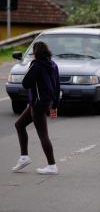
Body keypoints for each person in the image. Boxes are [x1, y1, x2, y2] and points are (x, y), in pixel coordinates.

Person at [12, 41, 60, 175]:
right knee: (19, 124)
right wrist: (55, 105)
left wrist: (30, 69)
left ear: (36, 52)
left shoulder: (36, 65)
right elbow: (57, 86)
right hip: (45, 102)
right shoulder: (53, 64)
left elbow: (25, 83)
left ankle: (52, 165)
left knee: (43, 135)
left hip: (38, 104)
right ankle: (24, 157)